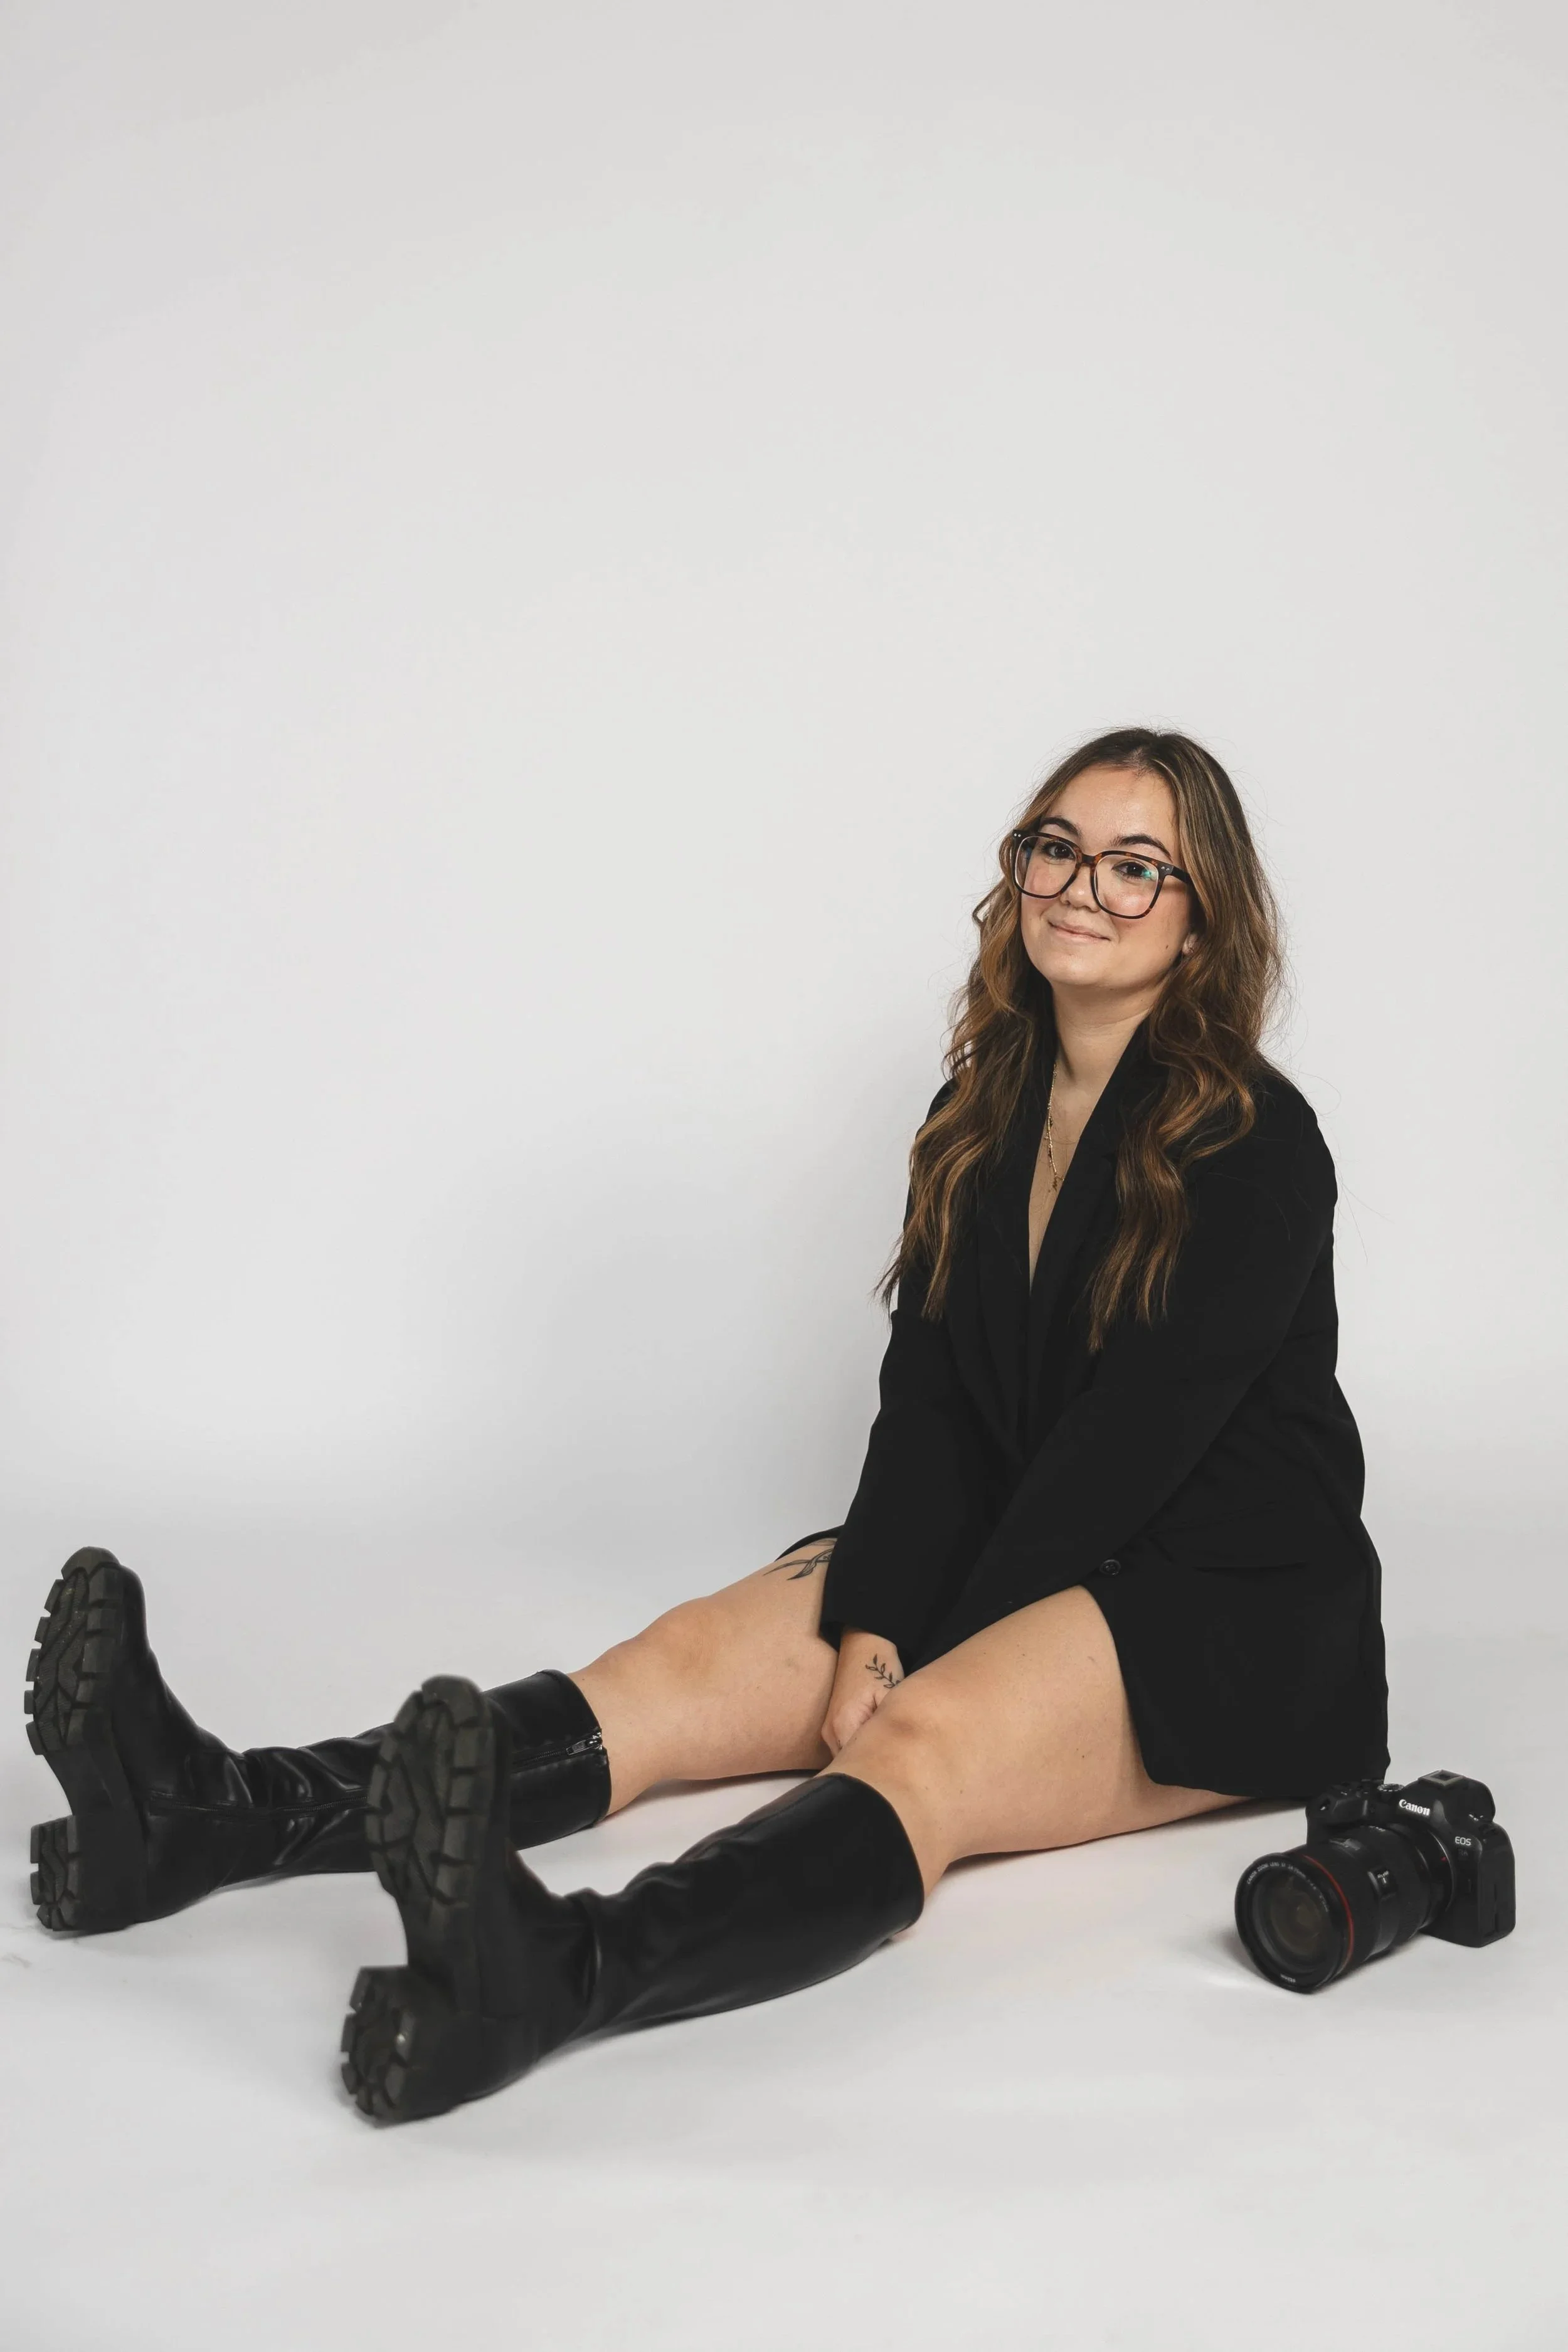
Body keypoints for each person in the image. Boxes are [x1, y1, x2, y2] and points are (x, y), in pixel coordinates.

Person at [23, 727, 1388, 2123]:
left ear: (1200, 916)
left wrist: (916, 1659)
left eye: (1133, 867)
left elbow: (1131, 1452)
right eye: (1055, 847)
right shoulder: (980, 1109)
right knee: (667, 1667)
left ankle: (553, 1971)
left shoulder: (1253, 1141)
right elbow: (925, 1402)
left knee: (915, 1753)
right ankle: (202, 1816)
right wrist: (874, 1618)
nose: (1080, 888)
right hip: (1025, 1528)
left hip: (1219, 1603)